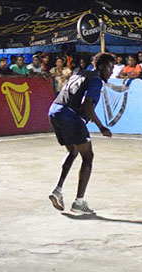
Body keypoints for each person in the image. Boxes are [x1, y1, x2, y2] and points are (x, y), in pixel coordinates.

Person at [48, 53, 114, 214]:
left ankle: (57, 190)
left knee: (73, 151)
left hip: (54, 110)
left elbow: (75, 97)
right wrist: (101, 127)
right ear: (101, 67)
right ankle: (79, 202)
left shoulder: (80, 72)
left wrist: (84, 115)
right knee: (88, 157)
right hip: (70, 115)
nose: (111, 72)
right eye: (109, 67)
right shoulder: (96, 80)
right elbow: (87, 105)